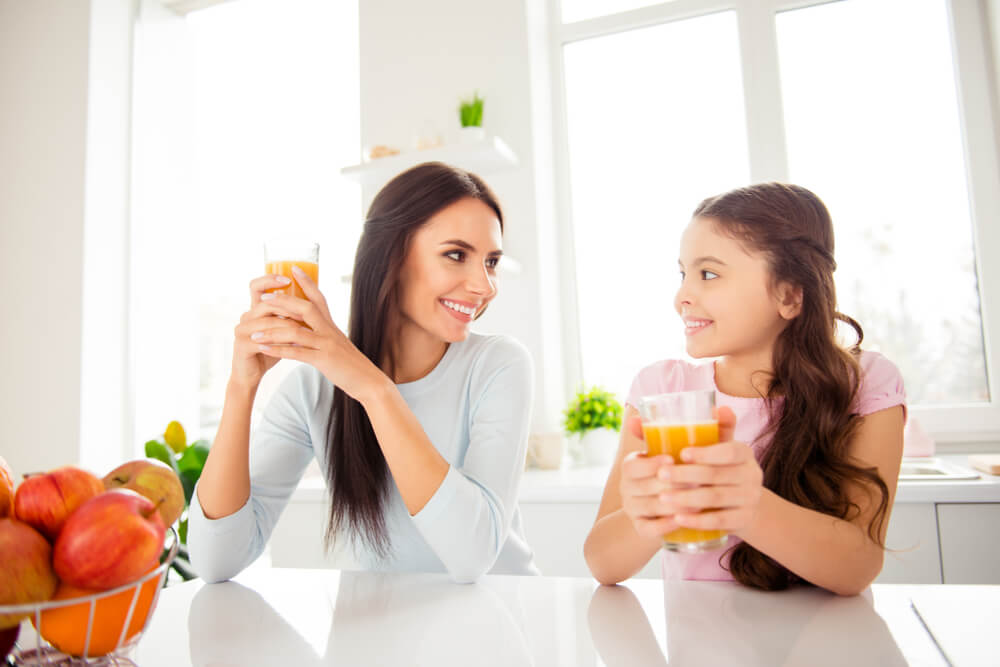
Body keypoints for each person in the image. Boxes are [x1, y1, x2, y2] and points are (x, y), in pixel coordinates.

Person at [189, 162, 540, 584]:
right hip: (383, 638)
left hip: (500, 623)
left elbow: (472, 555)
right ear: (392, 255)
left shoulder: (499, 366)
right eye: (456, 255)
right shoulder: (311, 390)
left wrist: (374, 389)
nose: (485, 286)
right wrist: (240, 388)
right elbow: (214, 562)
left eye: (491, 261)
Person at [584, 183, 905, 595]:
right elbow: (603, 563)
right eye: (683, 274)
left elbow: (857, 567)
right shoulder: (663, 389)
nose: (683, 295)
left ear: (789, 295)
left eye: (709, 274)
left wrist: (745, 505)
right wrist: (655, 507)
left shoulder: (864, 385)